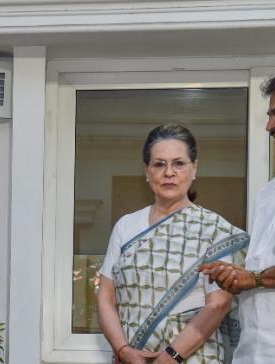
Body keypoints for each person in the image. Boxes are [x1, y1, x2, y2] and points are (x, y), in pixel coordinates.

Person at [97, 124, 248, 364]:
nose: (169, 172)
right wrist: (123, 350)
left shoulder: (213, 229)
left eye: (179, 163)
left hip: (195, 357)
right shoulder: (126, 226)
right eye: (159, 164)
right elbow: (106, 297)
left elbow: (219, 304)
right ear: (147, 171)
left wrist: (171, 357)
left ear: (194, 168)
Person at [199, 66, 275, 363]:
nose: (269, 126)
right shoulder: (270, 192)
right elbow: (261, 268)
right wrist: (234, 276)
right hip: (252, 352)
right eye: (269, 116)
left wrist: (254, 279)